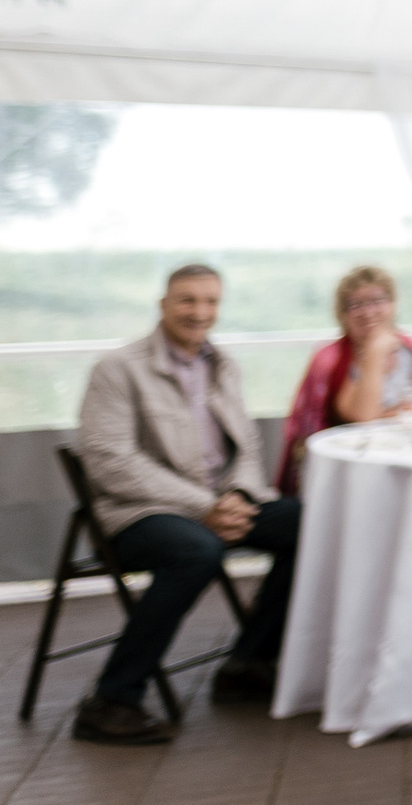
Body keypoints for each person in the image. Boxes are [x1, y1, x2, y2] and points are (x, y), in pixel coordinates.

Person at [70, 265, 302, 744]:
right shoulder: (117, 369)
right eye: (187, 301)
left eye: (210, 302)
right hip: (137, 513)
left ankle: (249, 663)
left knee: (312, 522)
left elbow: (247, 447)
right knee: (196, 550)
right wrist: (204, 506)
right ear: (163, 305)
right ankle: (112, 699)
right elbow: (111, 463)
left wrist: (236, 496)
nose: (200, 313)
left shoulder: (223, 365)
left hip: (217, 504)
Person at [278, 266, 412, 493]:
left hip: (407, 458)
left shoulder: (408, 348)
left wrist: (382, 414)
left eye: (377, 300)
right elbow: (362, 416)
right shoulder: (328, 358)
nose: (368, 312)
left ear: (392, 305)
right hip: (350, 468)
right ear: (342, 315)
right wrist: (374, 353)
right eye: (355, 305)